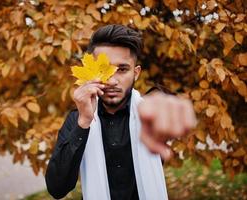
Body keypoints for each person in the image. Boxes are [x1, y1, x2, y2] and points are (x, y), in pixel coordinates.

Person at [45, 24, 196, 200]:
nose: (113, 81)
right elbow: (57, 188)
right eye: (104, 69)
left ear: (136, 73)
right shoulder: (77, 119)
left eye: (122, 69)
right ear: (91, 70)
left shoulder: (148, 112)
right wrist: (84, 122)